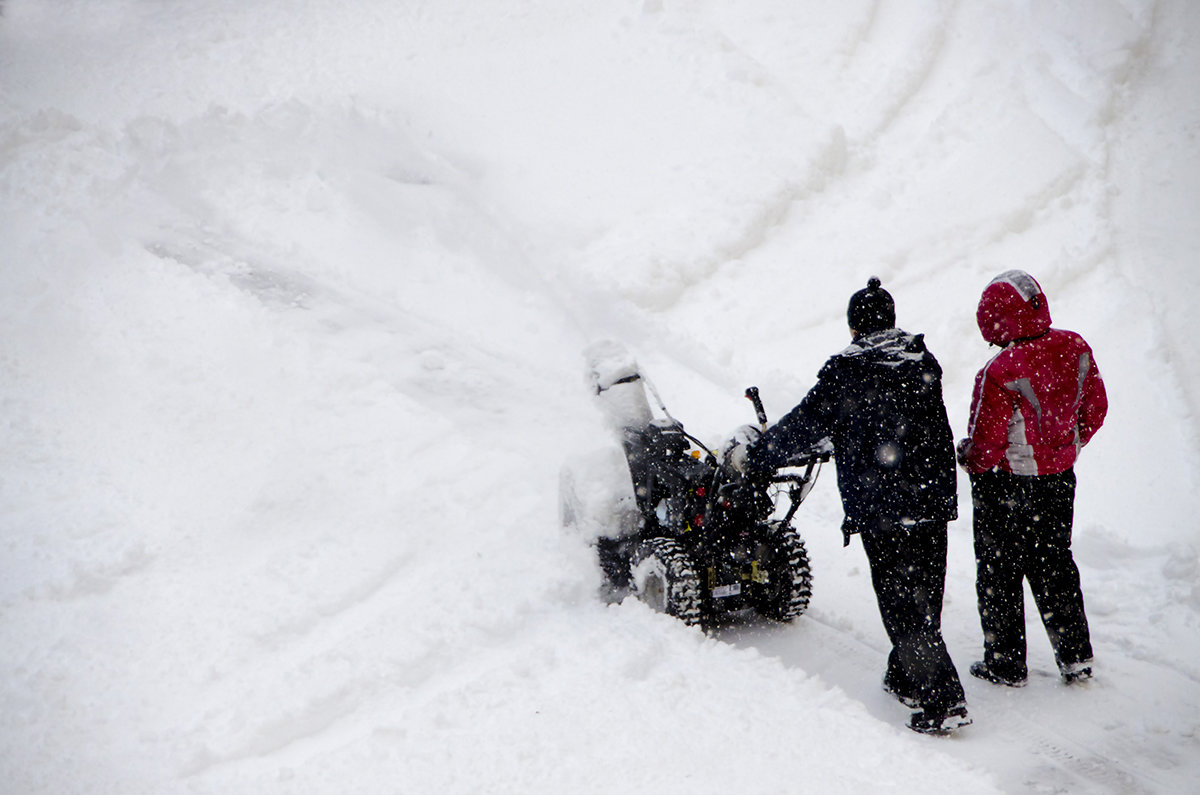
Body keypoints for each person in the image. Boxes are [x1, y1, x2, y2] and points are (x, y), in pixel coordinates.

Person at [735, 277, 969, 735]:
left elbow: (806, 422)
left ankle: (943, 701)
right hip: (931, 499)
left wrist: (761, 456)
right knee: (924, 594)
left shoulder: (848, 369)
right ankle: (906, 674)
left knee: (901, 603)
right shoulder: (922, 359)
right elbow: (890, 419)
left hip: (885, 504)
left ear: (853, 326)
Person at [957, 270, 1107, 688]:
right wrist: (1067, 447)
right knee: (1055, 562)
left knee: (999, 571)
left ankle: (1005, 664)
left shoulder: (1001, 370)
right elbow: (1096, 407)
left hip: (1006, 485)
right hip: (1059, 479)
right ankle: (1075, 656)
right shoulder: (1074, 346)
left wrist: (968, 459)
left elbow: (986, 447)